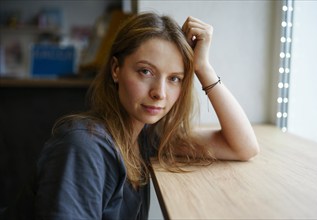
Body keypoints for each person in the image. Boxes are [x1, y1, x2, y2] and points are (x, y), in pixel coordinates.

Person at [3, 12, 259, 219]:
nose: (160, 93)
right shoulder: (84, 148)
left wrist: (204, 67)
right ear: (116, 69)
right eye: (145, 72)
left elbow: (243, 147)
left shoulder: (146, 137)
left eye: (174, 79)